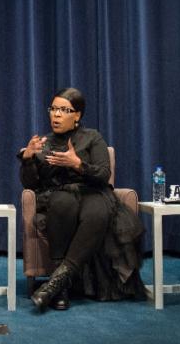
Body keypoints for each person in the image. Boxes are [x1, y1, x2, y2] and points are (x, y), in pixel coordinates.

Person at [19, 87, 145, 312]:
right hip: (58, 195)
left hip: (92, 192)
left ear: (77, 115)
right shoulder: (43, 143)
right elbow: (30, 185)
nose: (56, 115)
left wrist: (77, 164)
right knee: (62, 204)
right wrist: (28, 159)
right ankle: (61, 289)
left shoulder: (92, 137)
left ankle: (55, 285)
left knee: (97, 212)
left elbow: (104, 174)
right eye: (53, 109)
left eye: (64, 110)